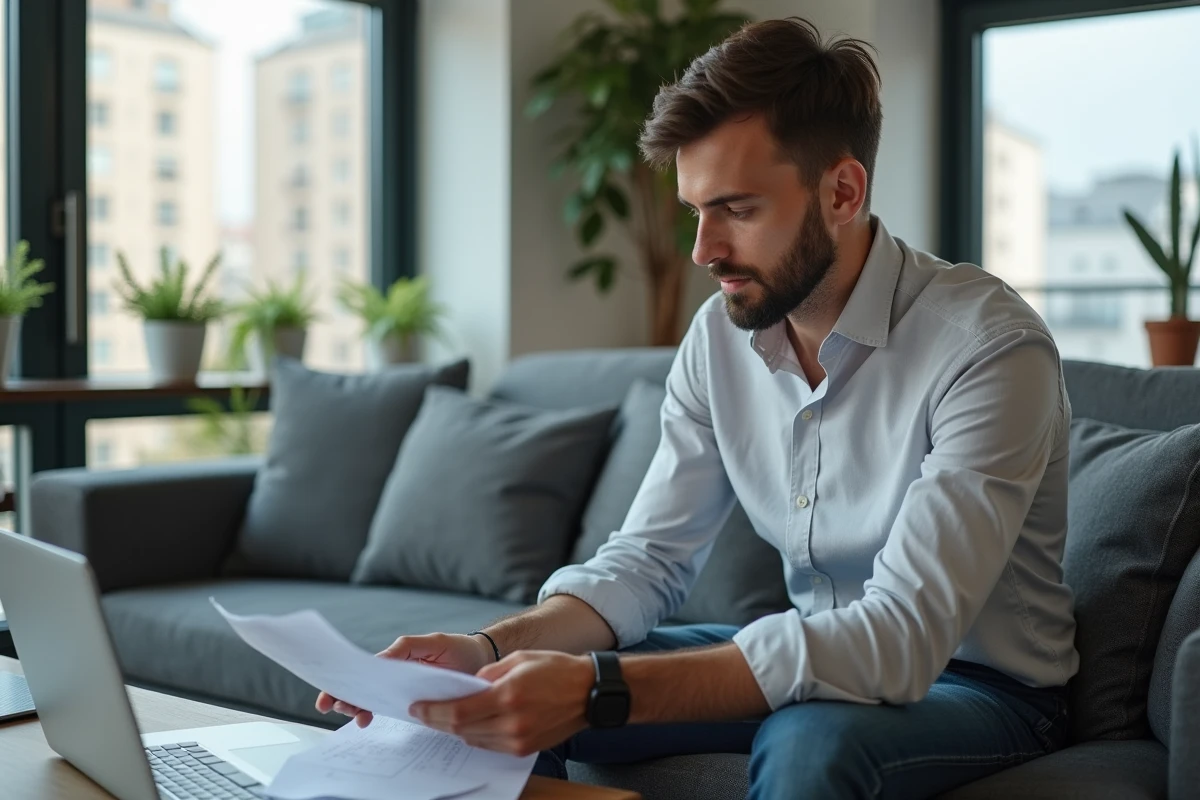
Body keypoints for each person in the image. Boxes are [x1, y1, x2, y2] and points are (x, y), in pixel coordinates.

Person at [317, 17, 1078, 799]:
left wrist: (598, 690)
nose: (702, 250)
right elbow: (646, 561)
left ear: (842, 192)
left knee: (809, 743)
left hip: (981, 687)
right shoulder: (719, 337)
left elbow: (901, 639)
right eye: (695, 211)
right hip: (811, 648)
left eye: (737, 210)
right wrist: (487, 649)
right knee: (498, 692)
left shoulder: (988, 347)